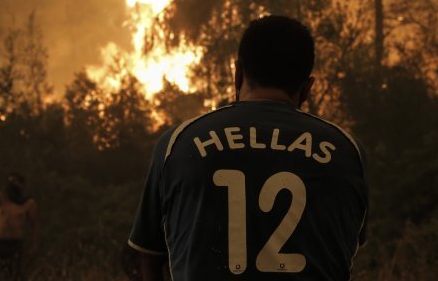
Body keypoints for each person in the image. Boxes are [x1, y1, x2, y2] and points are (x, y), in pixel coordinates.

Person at [129, 15, 369, 280]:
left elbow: (146, 259)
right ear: (307, 88)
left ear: (238, 73)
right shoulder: (346, 152)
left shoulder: (178, 143)